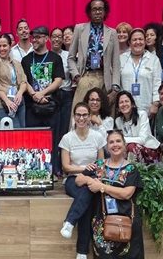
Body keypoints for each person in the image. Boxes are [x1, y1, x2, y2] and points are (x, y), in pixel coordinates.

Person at [74, 130, 144, 259]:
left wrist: (101, 187)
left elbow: (126, 194)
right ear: (107, 146)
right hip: (102, 223)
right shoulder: (99, 165)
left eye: (118, 141)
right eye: (111, 142)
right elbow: (78, 180)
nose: (115, 145)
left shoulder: (131, 169)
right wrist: (88, 179)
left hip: (126, 222)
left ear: (124, 144)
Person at [58, 102, 105, 259]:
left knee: (87, 194)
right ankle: (82, 251)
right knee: (86, 194)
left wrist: (90, 174)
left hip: (93, 179)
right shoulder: (67, 138)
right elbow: (66, 167)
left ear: (89, 117)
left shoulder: (97, 137)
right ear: (74, 116)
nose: (81, 118)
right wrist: (84, 169)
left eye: (85, 115)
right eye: (78, 115)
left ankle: (70, 223)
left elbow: (101, 164)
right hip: (73, 179)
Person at [68, 0, 121, 112]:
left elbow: (116, 63)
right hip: (85, 77)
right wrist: (77, 77)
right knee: (81, 114)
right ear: (89, 12)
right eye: (94, 9)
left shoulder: (112, 33)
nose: (97, 12)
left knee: (103, 117)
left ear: (105, 12)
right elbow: (71, 58)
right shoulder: (79, 29)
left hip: (105, 80)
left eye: (100, 9)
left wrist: (115, 88)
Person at [119, 28, 162, 114]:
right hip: (126, 108)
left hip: (147, 108)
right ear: (129, 43)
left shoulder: (153, 59)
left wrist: (155, 104)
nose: (138, 42)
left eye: (140, 39)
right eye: (134, 40)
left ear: (145, 41)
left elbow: (157, 83)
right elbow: (118, 82)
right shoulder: (121, 59)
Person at [51, 27, 75, 176]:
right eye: (54, 36)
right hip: (51, 97)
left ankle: (63, 165)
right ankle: (53, 166)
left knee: (64, 131)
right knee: (53, 132)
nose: (57, 39)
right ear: (49, 39)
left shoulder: (68, 55)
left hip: (66, 95)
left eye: (59, 36)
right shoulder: (46, 56)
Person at [0, 34, 28, 128]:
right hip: (2, 104)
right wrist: (7, 101)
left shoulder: (16, 63)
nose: (2, 48)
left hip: (18, 102)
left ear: (10, 46)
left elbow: (23, 81)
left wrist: (19, 93)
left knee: (22, 131)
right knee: (13, 131)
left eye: (4, 46)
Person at [113, 91, 160, 163]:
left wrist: (122, 139)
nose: (124, 104)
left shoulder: (142, 115)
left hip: (149, 150)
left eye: (126, 101)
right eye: (121, 102)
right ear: (118, 108)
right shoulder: (118, 120)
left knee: (131, 146)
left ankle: (135, 169)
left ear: (132, 104)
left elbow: (142, 140)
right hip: (130, 151)